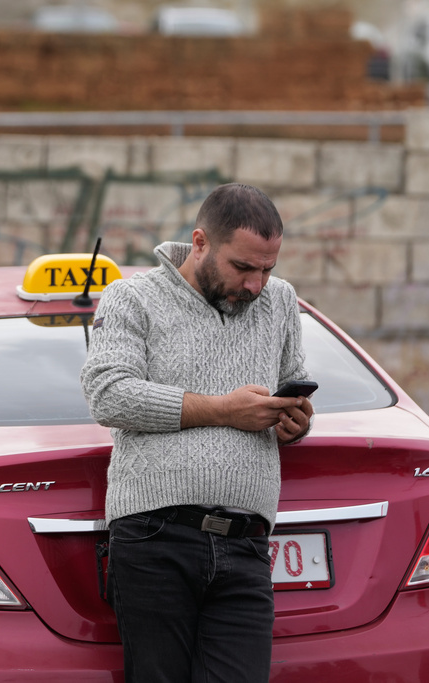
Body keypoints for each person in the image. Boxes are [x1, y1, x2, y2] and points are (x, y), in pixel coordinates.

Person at [80, 182, 313, 683]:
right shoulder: (131, 298)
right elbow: (108, 394)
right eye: (243, 267)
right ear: (201, 242)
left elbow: (289, 396)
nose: (256, 284)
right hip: (154, 538)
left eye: (268, 269)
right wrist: (224, 410)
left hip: (248, 543)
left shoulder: (280, 302)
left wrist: (295, 423)